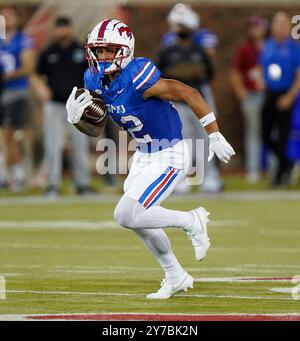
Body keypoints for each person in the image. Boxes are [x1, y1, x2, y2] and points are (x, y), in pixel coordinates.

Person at [66, 19, 235, 299]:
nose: (103, 56)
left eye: (109, 50)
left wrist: (214, 135)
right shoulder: (93, 78)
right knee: (138, 218)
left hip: (171, 152)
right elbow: (97, 126)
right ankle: (176, 276)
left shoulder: (138, 75)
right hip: (144, 155)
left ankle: (192, 220)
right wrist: (77, 119)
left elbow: (189, 93)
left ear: (124, 50)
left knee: (126, 213)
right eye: (99, 51)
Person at [160, 3, 223, 193]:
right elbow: (160, 75)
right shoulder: (168, 51)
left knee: (205, 138)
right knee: (181, 142)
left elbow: (209, 74)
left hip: (197, 101)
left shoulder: (199, 49)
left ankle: (209, 177)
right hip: (177, 103)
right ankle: (181, 178)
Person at [33, 17, 93, 197]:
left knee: (80, 144)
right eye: (59, 28)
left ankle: (82, 184)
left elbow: (91, 74)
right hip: (55, 104)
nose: (62, 31)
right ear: (55, 30)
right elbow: (36, 74)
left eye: (65, 27)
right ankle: (53, 185)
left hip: (77, 105)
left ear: (70, 28)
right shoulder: (48, 51)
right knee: (53, 145)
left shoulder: (80, 51)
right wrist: (40, 88)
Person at [260, 12, 300, 187]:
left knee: (283, 136)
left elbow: (298, 76)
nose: (280, 28)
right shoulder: (267, 46)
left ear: (288, 27)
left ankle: (279, 175)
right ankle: (287, 163)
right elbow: (263, 69)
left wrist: (290, 97)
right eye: (277, 24)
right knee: (265, 135)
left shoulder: (294, 49)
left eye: (284, 24)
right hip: (270, 94)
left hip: (286, 93)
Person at [0, 6, 35, 191]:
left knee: (11, 133)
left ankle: (18, 175)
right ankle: (6, 174)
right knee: (4, 136)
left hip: (15, 92)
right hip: (2, 92)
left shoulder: (23, 40)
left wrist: (8, 76)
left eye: (9, 15)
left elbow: (28, 66)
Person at [230, 16, 268, 183]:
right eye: (253, 27)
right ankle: (253, 169)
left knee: (271, 131)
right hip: (251, 95)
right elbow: (235, 72)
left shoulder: (270, 47)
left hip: (268, 94)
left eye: (258, 27)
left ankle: (272, 169)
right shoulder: (244, 49)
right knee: (253, 132)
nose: (255, 30)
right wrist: (241, 92)